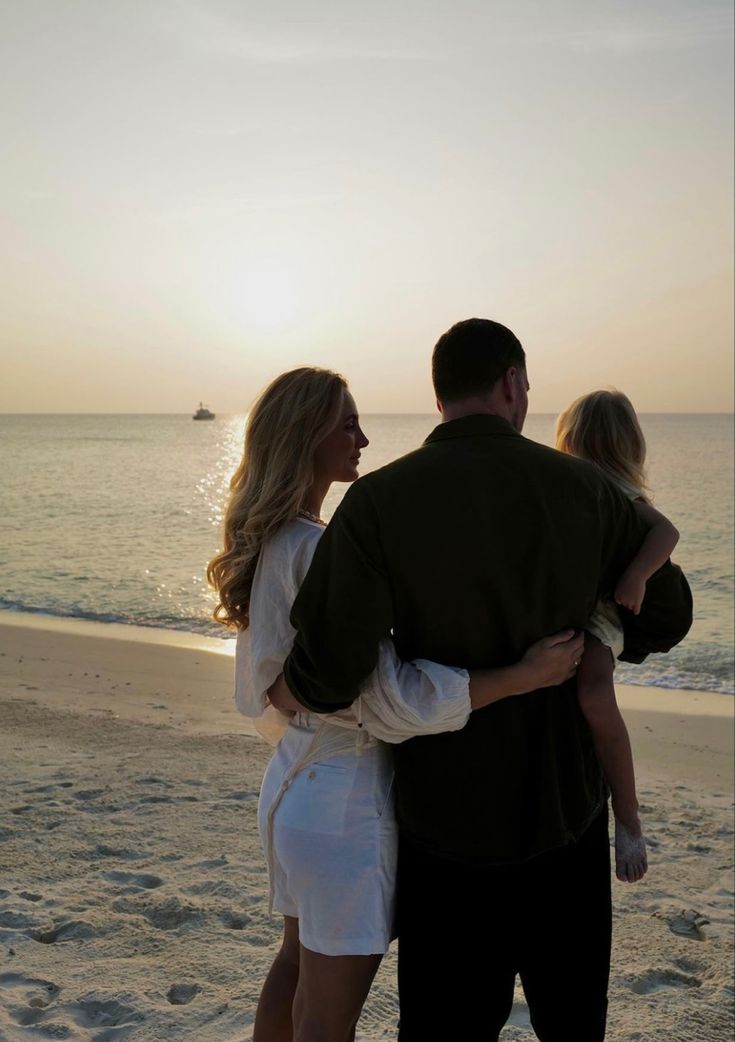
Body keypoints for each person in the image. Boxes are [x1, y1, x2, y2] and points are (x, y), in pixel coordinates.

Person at [281, 321, 693, 1042]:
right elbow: (667, 615)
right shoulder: (585, 489)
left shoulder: (377, 502)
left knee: (444, 1030)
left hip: (446, 823)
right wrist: (595, 629)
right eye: (525, 387)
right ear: (510, 384)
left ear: (438, 396)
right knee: (572, 1027)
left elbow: (327, 672)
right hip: (562, 815)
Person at [206, 366, 583, 1042]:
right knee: (328, 1019)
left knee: (293, 970)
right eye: (346, 423)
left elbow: (261, 689)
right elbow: (389, 700)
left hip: (293, 787)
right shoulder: (318, 548)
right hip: (344, 805)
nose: (363, 438)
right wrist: (519, 676)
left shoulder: (278, 540)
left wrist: (302, 704)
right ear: (304, 435)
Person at [555, 389, 680, 884]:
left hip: (601, 615)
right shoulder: (568, 482)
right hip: (573, 606)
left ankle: (627, 819)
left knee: (595, 693)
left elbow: (666, 532)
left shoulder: (612, 486)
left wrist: (637, 578)